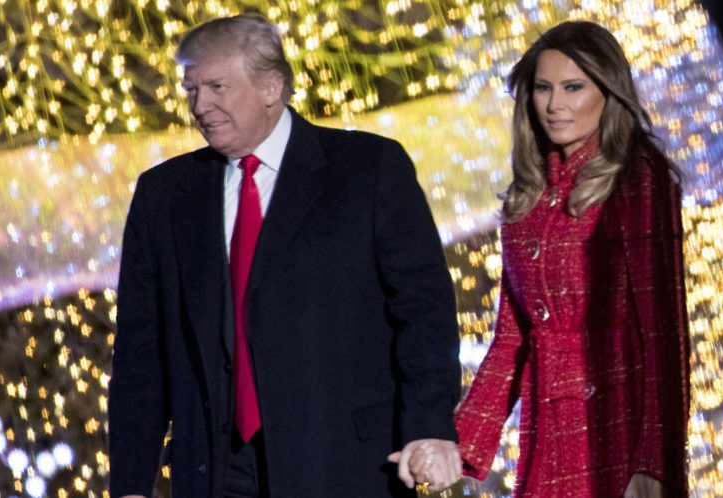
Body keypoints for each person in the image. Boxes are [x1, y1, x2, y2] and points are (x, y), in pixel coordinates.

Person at [108, 14, 462, 497]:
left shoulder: (368, 169)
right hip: (215, 471)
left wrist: (429, 424)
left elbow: (424, 311)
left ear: (272, 86)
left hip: (343, 462)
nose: (200, 105)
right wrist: (130, 483)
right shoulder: (165, 195)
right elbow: (140, 352)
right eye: (191, 90)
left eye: (216, 87)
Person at [449, 21, 689, 497]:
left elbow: (665, 335)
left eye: (573, 88)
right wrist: (457, 444)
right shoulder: (529, 195)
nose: (555, 105)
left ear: (609, 93)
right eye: (543, 88)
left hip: (615, 430)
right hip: (548, 427)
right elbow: (511, 339)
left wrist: (653, 464)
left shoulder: (638, 178)